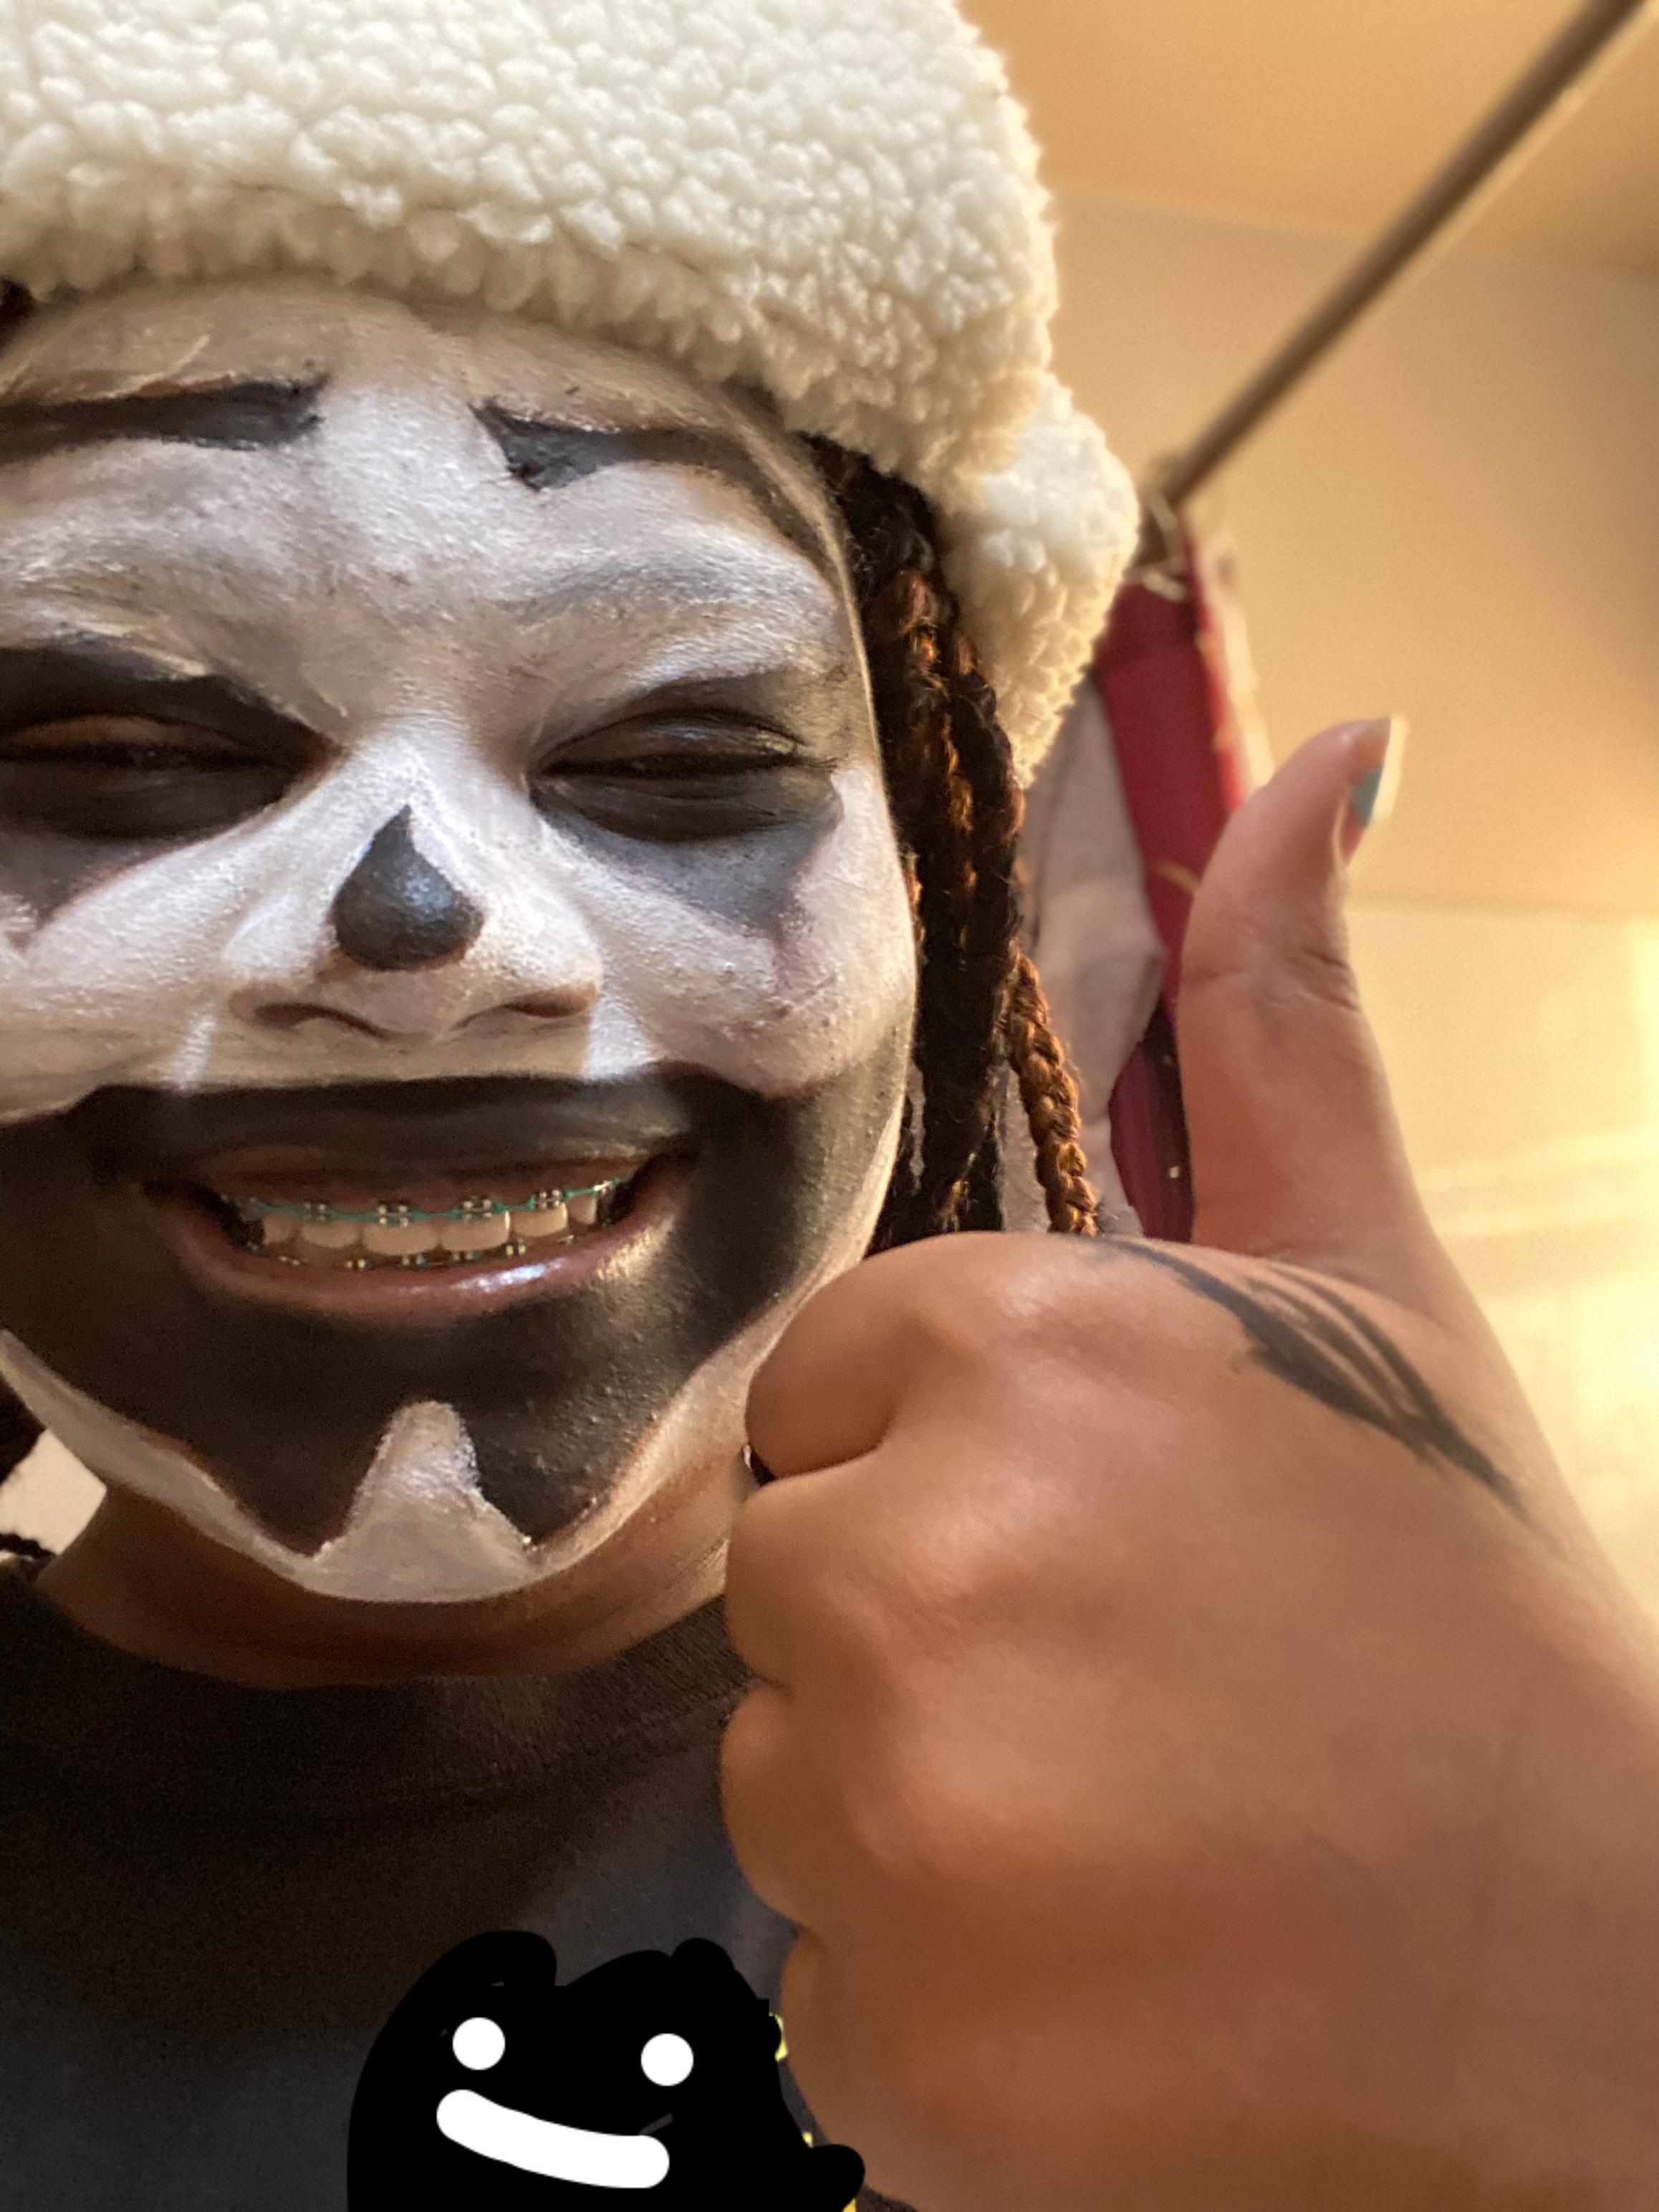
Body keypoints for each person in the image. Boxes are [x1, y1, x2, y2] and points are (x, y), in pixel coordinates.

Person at [1, 5, 1655, 2210]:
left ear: (932, 889)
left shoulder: (1257, 1824)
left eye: (679, 759)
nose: (428, 929)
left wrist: (1571, 2053)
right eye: (126, 756)